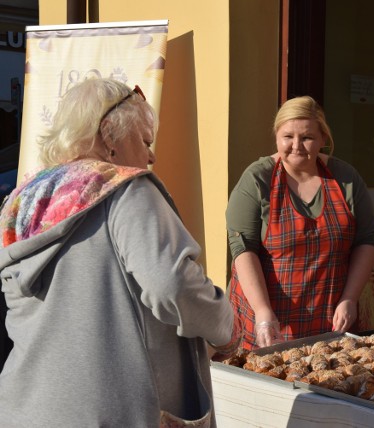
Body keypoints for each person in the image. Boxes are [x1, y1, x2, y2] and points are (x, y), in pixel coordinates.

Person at [0, 78, 242, 427]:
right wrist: (225, 326)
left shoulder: (22, 200)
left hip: (26, 408)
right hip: (114, 412)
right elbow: (172, 284)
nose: (152, 155)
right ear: (109, 136)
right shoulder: (127, 191)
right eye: (146, 141)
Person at [226, 95, 374, 350]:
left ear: (323, 139)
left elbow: (367, 240)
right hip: (264, 320)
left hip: (330, 318)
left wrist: (350, 298)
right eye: (288, 136)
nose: (296, 145)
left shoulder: (346, 179)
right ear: (276, 136)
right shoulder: (257, 179)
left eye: (307, 137)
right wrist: (263, 312)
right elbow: (243, 248)